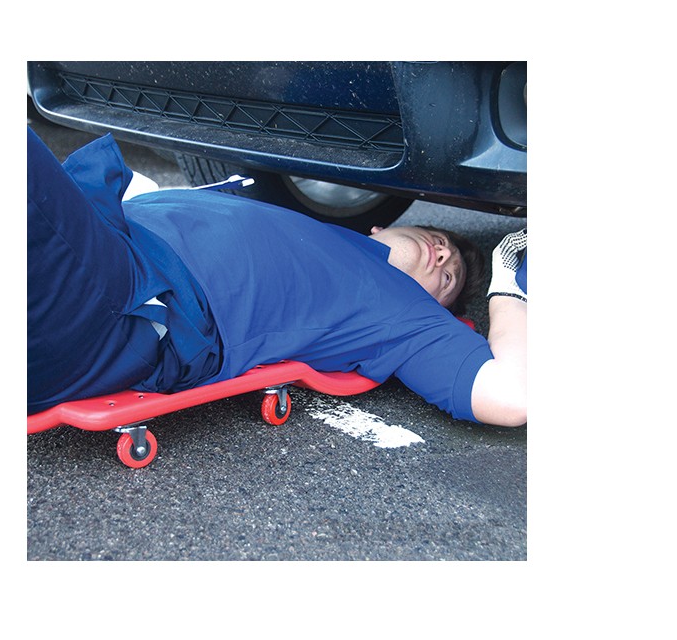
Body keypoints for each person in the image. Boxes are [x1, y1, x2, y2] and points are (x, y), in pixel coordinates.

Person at [27, 127, 526, 427]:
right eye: (439, 238)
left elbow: (512, 396)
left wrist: (507, 273)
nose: (444, 254)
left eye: (449, 277)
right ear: (381, 226)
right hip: (105, 239)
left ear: (437, 309)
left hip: (126, 302)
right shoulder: (307, 226)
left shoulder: (403, 315)